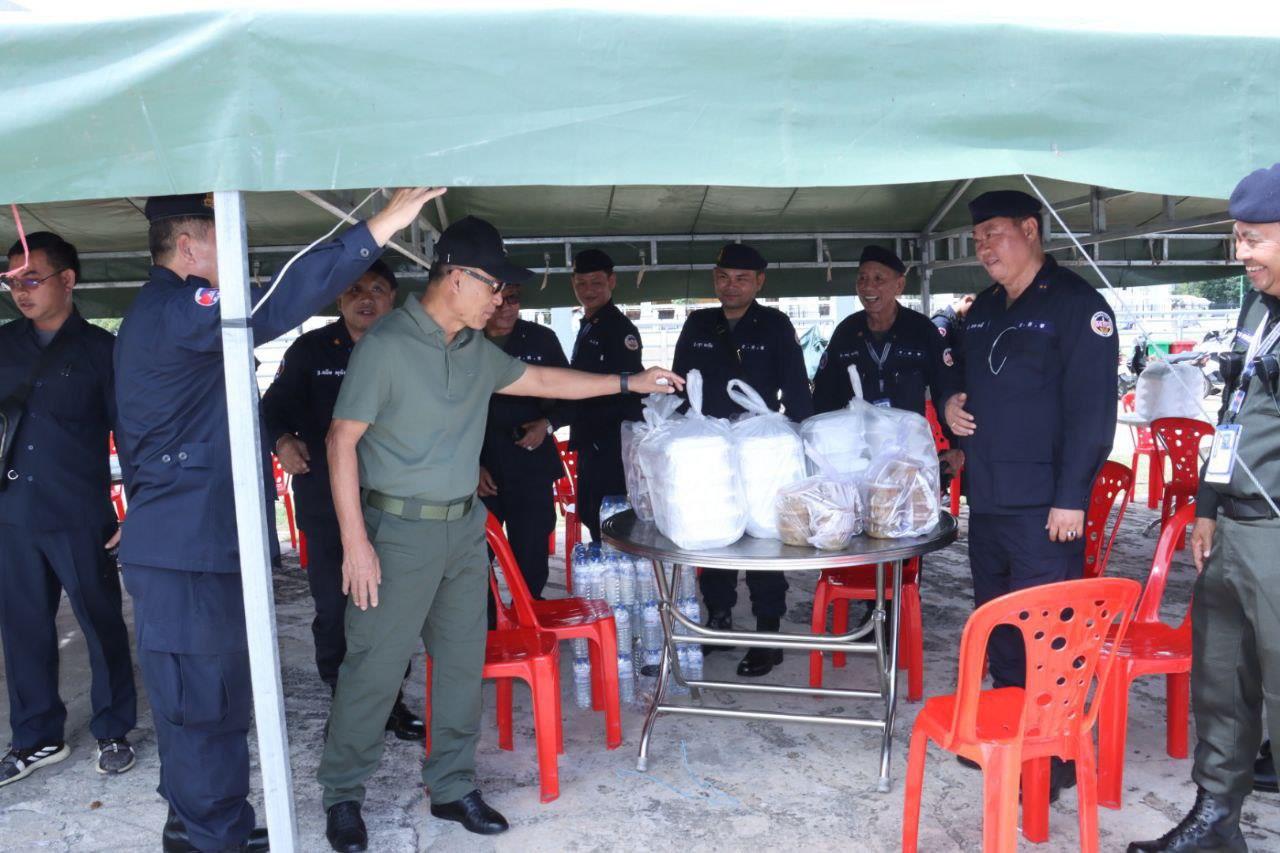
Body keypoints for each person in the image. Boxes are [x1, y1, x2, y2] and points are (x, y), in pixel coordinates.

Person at [316, 216, 682, 851]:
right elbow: (339, 440)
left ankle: (452, 785)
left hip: (463, 528)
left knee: (463, 664)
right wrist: (356, 543)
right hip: (397, 533)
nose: (500, 299)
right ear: (457, 278)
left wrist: (629, 380)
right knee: (374, 668)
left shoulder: (470, 346)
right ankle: (343, 794)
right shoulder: (387, 345)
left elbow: (540, 380)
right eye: (494, 286)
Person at [114, 187, 443, 853]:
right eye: (223, 238)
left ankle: (197, 822)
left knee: (198, 698)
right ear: (189, 247)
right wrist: (379, 226)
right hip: (186, 548)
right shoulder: (178, 309)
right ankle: (214, 836)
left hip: (189, 540)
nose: (235, 253)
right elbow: (273, 305)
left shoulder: (166, 313)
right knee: (203, 701)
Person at [942, 190, 1117, 800]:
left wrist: (1073, 497)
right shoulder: (984, 308)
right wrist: (949, 401)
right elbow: (957, 371)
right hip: (990, 498)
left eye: (994, 234)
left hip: (1047, 506)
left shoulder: (1076, 304)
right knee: (999, 625)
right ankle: (1012, 734)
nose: (984, 248)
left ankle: (1055, 757)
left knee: (1050, 635)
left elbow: (1093, 411)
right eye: (977, 239)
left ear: (1031, 229)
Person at [1128, 163, 1280, 851]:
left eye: (1254, 238)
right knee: (1220, 679)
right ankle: (1217, 820)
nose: (1240, 252)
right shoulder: (1257, 307)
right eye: (1237, 236)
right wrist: (1208, 505)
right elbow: (1233, 413)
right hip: (1233, 527)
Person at [259, 260, 425, 740]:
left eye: (377, 289)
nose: (366, 298)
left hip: (395, 501)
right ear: (338, 298)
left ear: (393, 298)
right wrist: (283, 441)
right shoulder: (311, 350)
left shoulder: (412, 349)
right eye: (355, 289)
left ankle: (390, 701)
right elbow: (271, 408)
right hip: (326, 500)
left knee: (389, 608)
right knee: (335, 605)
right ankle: (346, 700)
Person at [0, 232, 137, 787]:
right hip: (12, 513)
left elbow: (131, 433)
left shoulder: (103, 351)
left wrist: (139, 505)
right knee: (23, 629)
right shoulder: (3, 345)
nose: (20, 291)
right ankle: (37, 737)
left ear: (68, 280)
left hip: (80, 513)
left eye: (31, 279)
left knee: (101, 623)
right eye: (12, 281)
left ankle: (114, 729)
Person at [670, 241, 812, 677]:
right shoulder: (699, 323)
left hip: (761, 451)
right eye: (723, 278)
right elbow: (681, 388)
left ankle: (769, 633)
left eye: (741, 279)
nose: (731, 287)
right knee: (714, 532)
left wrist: (804, 442)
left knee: (764, 539)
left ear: (759, 282)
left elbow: (797, 388)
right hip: (709, 452)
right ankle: (719, 620)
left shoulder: (774, 325)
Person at [477, 280, 570, 600]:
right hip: (479, 470)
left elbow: (570, 397)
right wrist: (470, 466)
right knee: (473, 559)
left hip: (530, 465)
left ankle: (529, 616)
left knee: (531, 556)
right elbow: (444, 413)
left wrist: (547, 424)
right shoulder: (463, 341)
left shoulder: (542, 339)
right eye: (499, 299)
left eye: (513, 299)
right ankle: (485, 622)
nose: (506, 307)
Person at [567, 248, 644, 541]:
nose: (588, 290)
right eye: (581, 283)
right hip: (591, 439)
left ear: (611, 281)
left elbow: (628, 388)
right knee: (591, 511)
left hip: (610, 443)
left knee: (609, 517)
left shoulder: (618, 328)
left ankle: (614, 567)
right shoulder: (590, 324)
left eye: (596, 283)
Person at [930, 292, 974, 373]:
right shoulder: (942, 322)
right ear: (968, 300)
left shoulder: (957, 322)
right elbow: (936, 355)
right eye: (973, 308)